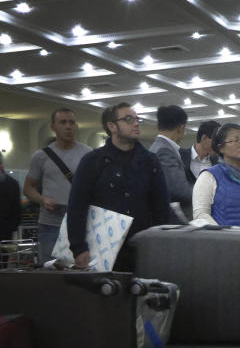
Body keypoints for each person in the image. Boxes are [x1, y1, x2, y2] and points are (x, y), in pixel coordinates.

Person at [67, 102, 170, 271]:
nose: (136, 123)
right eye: (128, 119)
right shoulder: (93, 161)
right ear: (112, 126)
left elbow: (161, 206)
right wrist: (79, 247)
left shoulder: (150, 161)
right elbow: (77, 206)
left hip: (142, 244)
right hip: (102, 246)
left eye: (137, 119)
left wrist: (160, 242)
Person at [22, 108, 91, 261]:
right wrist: (42, 199)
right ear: (53, 127)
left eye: (72, 122)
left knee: (81, 273)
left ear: (76, 126)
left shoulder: (88, 154)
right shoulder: (41, 156)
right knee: (50, 272)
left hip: (80, 225)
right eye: (63, 122)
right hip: (50, 224)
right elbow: (28, 188)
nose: (68, 126)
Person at [148, 104, 192, 219]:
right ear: (181, 128)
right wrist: (204, 192)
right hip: (173, 218)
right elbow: (178, 189)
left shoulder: (159, 147)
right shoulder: (164, 150)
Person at [180, 120, 220, 185]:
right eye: (216, 141)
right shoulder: (179, 156)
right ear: (204, 138)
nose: (218, 145)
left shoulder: (218, 163)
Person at [0, 154, 20, 240]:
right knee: (5, 252)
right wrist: (13, 227)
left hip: (5, 227)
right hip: (5, 229)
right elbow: (17, 209)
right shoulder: (12, 183)